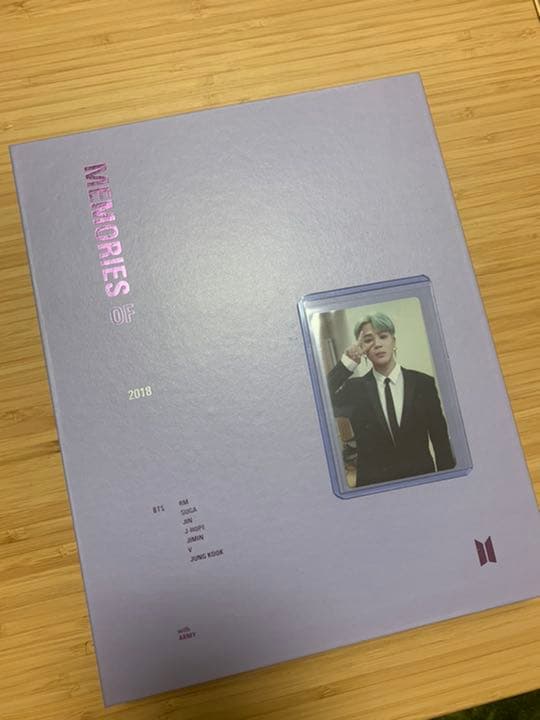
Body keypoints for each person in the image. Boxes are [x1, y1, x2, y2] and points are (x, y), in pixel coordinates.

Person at [327, 312, 455, 486]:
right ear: (363, 349)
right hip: (374, 488)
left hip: (421, 482)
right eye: (368, 340)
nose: (377, 344)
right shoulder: (354, 389)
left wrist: (448, 484)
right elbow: (318, 404)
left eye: (383, 336)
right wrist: (347, 363)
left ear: (393, 341)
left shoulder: (423, 383)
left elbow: (441, 441)